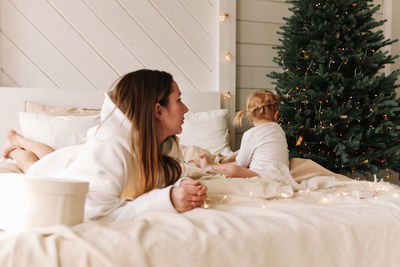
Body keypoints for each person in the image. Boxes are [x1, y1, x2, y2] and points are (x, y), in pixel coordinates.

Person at [2, 69, 207, 222]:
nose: (186, 108)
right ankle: (18, 146)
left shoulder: (156, 146)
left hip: (74, 158)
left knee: (53, 156)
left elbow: (165, 176)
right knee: (34, 167)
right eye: (178, 100)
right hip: (58, 174)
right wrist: (167, 200)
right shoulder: (108, 151)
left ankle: (20, 143)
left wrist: (184, 184)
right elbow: (95, 216)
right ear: (158, 111)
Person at [199, 90, 289, 178]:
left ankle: (208, 167)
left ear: (249, 117)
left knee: (233, 169)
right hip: (282, 176)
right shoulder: (280, 131)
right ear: (276, 115)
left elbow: (241, 163)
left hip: (260, 176)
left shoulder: (250, 134)